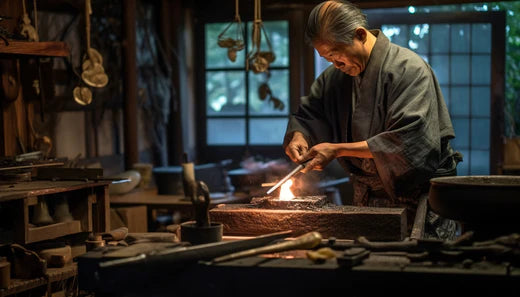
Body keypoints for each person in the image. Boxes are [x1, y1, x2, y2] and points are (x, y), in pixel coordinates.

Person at [283, 0, 463, 239]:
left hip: (417, 196)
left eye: (337, 56)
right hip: (367, 196)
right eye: (328, 59)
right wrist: (299, 134)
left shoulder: (409, 69)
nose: (336, 65)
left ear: (359, 35)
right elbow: (309, 112)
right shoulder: (335, 78)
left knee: (422, 268)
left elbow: (409, 141)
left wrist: (337, 150)